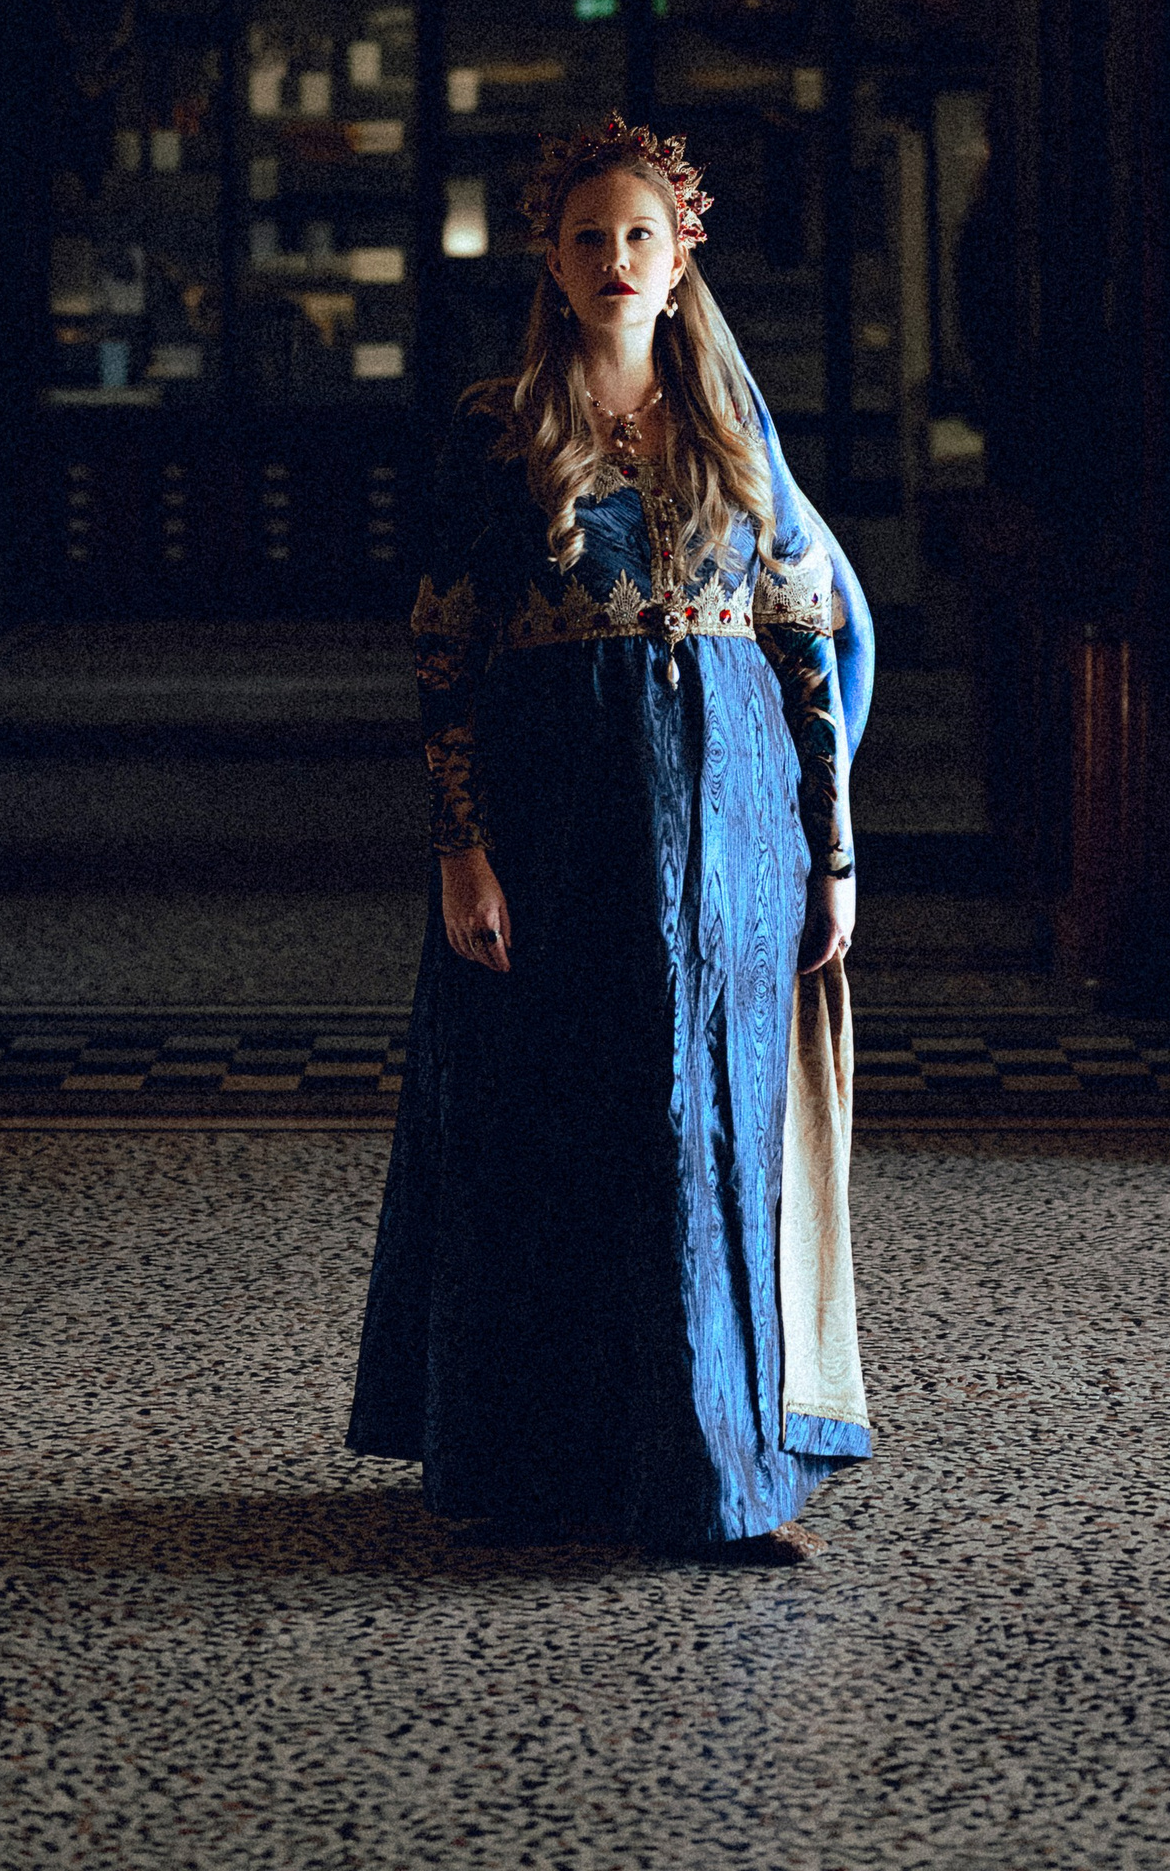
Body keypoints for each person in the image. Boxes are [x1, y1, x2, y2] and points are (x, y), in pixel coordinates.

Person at [347, 114, 873, 1562]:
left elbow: (805, 638)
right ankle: (534, 1465)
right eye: (589, 237)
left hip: (729, 818)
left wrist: (830, 848)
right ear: (553, 257)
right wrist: (462, 848)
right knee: (547, 1119)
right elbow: (443, 650)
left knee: (706, 1126)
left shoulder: (727, 425)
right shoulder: (498, 428)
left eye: (640, 233)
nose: (616, 259)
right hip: (557, 806)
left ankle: (713, 1477)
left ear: (682, 248)